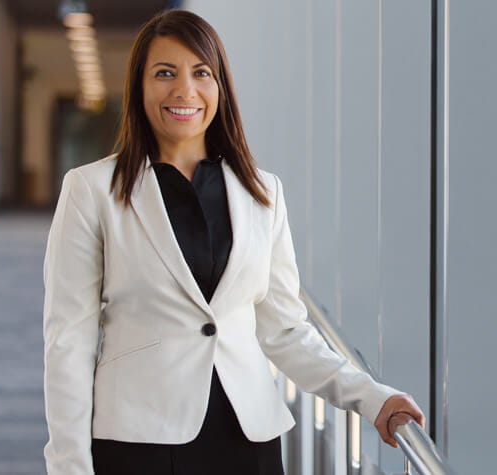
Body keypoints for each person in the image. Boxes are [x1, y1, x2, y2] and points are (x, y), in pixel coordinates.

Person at [42, 9, 424, 474]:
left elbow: (285, 332)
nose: (185, 90)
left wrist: (373, 398)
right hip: (140, 441)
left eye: (201, 73)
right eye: (165, 73)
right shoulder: (93, 191)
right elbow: (69, 341)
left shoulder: (262, 193)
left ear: (220, 86)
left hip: (247, 440)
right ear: (139, 87)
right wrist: (68, 465)